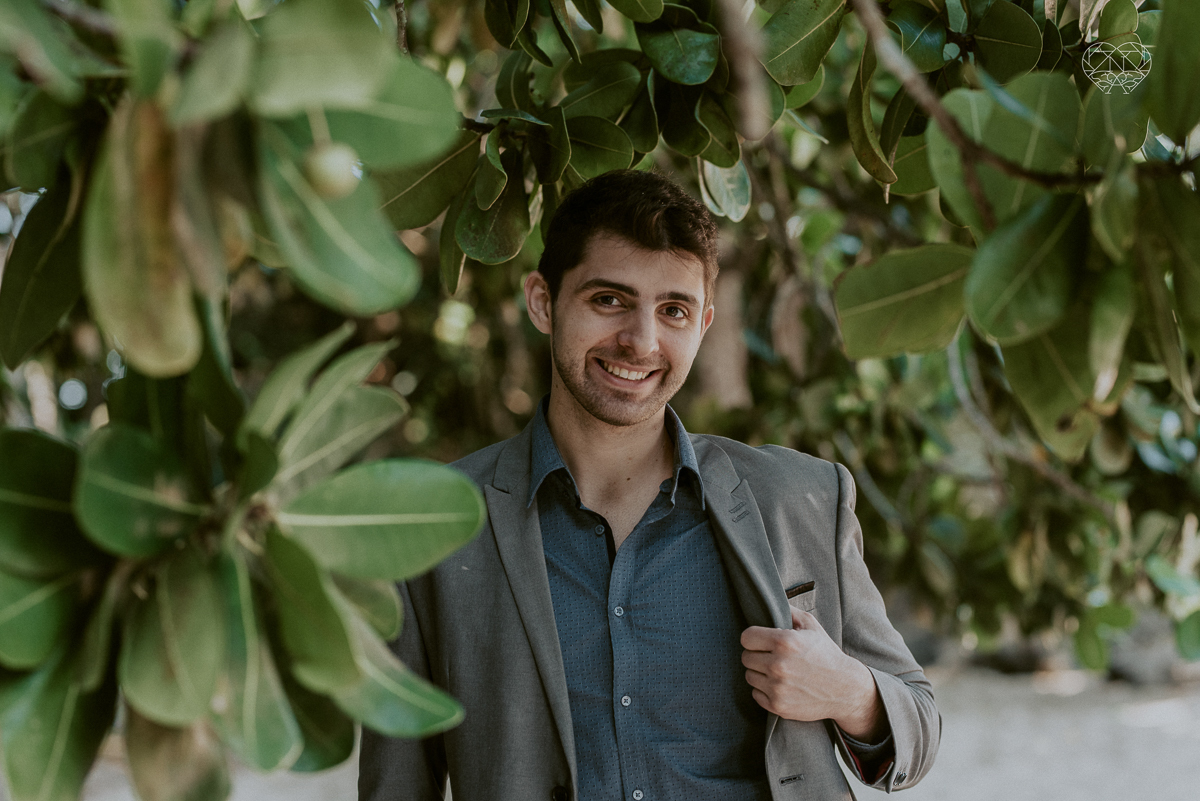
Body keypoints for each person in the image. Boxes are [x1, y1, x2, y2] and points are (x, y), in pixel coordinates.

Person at [359, 169, 939, 801]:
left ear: (704, 323)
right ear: (542, 301)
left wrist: (851, 694)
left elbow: (920, 722)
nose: (641, 341)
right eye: (609, 300)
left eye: (673, 310)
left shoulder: (800, 498)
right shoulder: (433, 527)